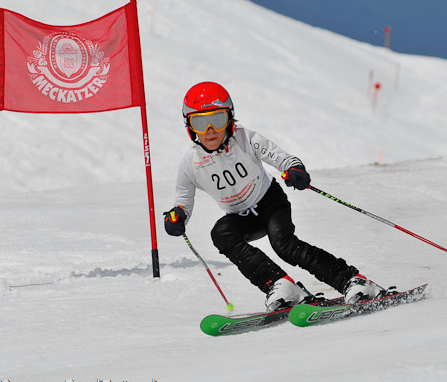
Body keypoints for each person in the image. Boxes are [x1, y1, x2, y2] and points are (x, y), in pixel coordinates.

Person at [164, 81, 386, 311]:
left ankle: (353, 281)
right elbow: (183, 199)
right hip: (241, 217)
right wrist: (177, 215)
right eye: (199, 122)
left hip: (270, 202)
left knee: (284, 245)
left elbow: (282, 158)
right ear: (190, 127)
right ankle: (281, 285)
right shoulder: (191, 163)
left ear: (229, 119)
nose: (210, 129)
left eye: (217, 119)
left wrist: (295, 169)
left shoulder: (246, 139)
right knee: (221, 233)